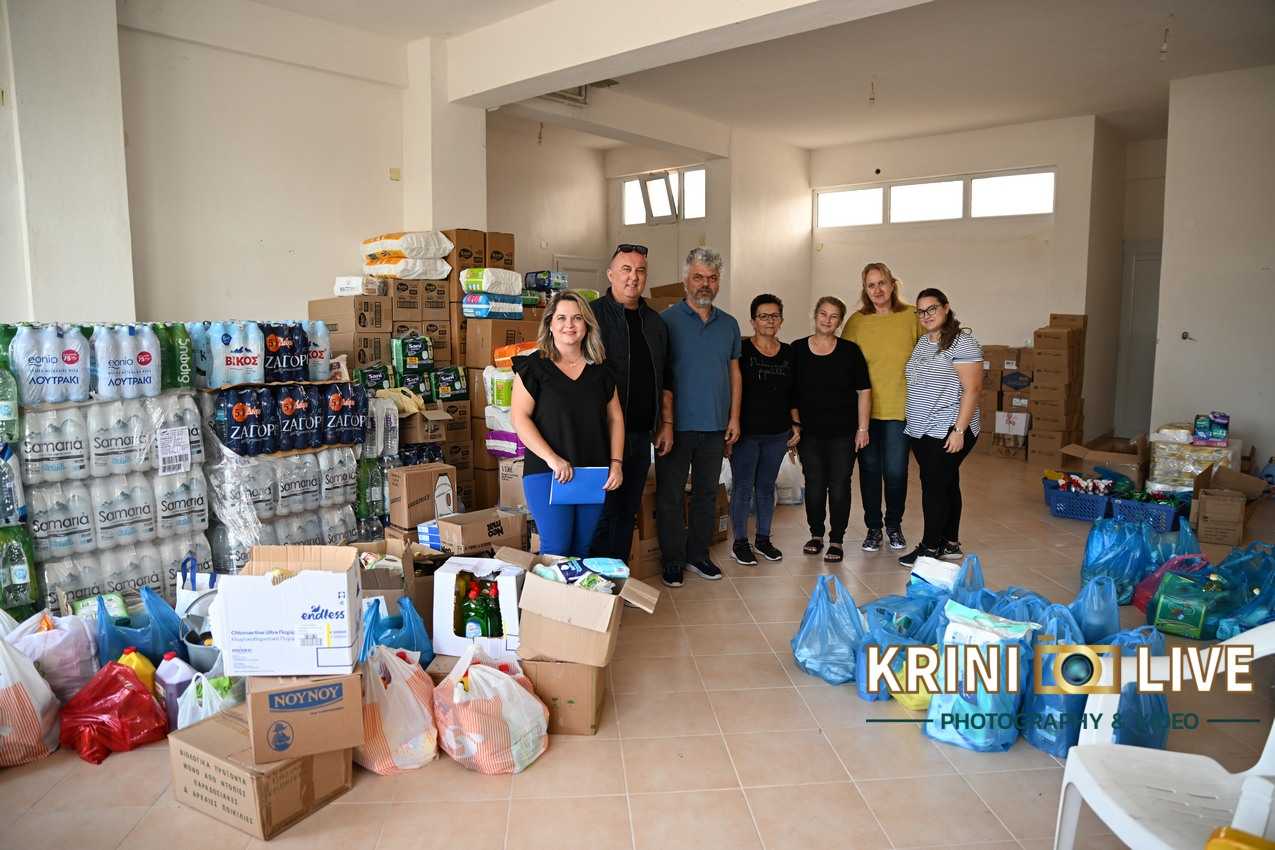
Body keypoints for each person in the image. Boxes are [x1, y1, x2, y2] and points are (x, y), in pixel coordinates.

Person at [511, 292, 625, 557]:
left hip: (592, 473)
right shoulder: (534, 367)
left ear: (587, 325)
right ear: (550, 324)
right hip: (547, 473)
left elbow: (616, 418)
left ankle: (575, 588)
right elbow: (519, 418)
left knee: (582, 549)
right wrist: (553, 459)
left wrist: (616, 464)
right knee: (556, 548)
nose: (569, 325)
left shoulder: (601, 370)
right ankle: (546, 589)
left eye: (577, 318)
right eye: (561, 318)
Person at [655, 247, 741, 587]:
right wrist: (665, 423)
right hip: (676, 428)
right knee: (671, 495)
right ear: (685, 280)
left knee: (706, 493)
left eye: (712, 278)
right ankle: (673, 560)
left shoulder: (729, 325)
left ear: (719, 282)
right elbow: (660, 377)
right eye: (698, 277)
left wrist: (734, 418)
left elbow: (734, 374)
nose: (705, 284)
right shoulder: (667, 322)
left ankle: (698, 555)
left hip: (715, 425)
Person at [588, 244, 671, 560]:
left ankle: (617, 575)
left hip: (639, 434)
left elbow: (665, 377)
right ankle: (593, 581)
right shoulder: (591, 316)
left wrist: (665, 423)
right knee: (600, 511)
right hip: (600, 434)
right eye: (626, 269)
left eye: (640, 270)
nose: (633, 277)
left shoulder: (655, 322)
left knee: (626, 511)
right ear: (610, 274)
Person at [898, 288, 983, 568]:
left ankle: (929, 547)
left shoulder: (963, 342)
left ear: (946, 308)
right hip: (922, 428)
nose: (926, 315)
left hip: (948, 428)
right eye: (921, 311)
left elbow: (973, 389)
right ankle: (950, 543)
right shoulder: (924, 342)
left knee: (934, 486)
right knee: (947, 482)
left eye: (931, 309)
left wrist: (959, 431)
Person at [842, 262, 921, 554]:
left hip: (901, 410)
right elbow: (844, 365)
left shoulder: (911, 316)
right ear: (865, 289)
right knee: (870, 471)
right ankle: (874, 528)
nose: (877, 290)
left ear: (892, 284)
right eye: (871, 285)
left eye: (882, 283)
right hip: (865, 413)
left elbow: (928, 355)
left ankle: (894, 525)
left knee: (896, 472)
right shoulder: (857, 322)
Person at [791, 296, 871, 564]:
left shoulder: (850, 351)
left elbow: (864, 391)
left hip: (844, 433)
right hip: (809, 433)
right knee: (814, 485)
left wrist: (862, 428)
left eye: (834, 316)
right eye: (823, 314)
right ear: (815, 315)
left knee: (839, 486)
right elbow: (790, 393)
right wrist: (794, 425)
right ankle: (816, 534)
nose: (827, 320)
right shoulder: (797, 349)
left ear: (840, 321)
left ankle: (836, 539)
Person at [729, 294, 798, 566]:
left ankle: (763, 539)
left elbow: (794, 394)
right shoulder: (742, 351)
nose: (769, 321)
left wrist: (796, 425)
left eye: (774, 316)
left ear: (781, 320)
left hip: (777, 433)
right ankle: (739, 543)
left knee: (767, 487)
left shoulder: (789, 353)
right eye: (763, 316)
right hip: (746, 433)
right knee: (743, 487)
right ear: (753, 321)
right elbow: (731, 389)